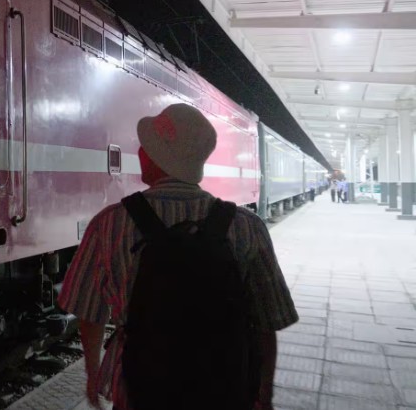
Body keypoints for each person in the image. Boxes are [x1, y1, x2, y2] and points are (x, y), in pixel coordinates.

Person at [58, 104, 298, 410]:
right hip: (225, 390)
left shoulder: (109, 224)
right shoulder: (247, 226)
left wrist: (93, 374)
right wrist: (264, 394)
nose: (140, 151)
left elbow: (89, 313)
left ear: (153, 157)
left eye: (146, 146)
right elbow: (268, 321)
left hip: (139, 390)